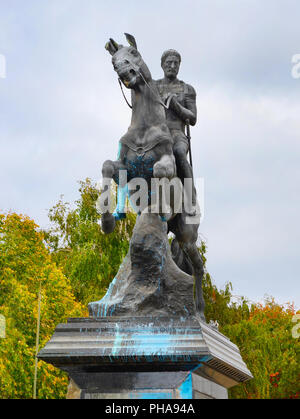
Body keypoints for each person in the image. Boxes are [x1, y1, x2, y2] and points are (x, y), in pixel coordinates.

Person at [155, 49, 197, 215]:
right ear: (162, 65)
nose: (172, 66)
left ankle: (190, 197)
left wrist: (176, 106)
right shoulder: (154, 86)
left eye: (175, 63)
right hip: (156, 134)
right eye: (168, 63)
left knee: (179, 153)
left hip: (177, 134)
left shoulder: (187, 89)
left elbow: (193, 118)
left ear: (179, 66)